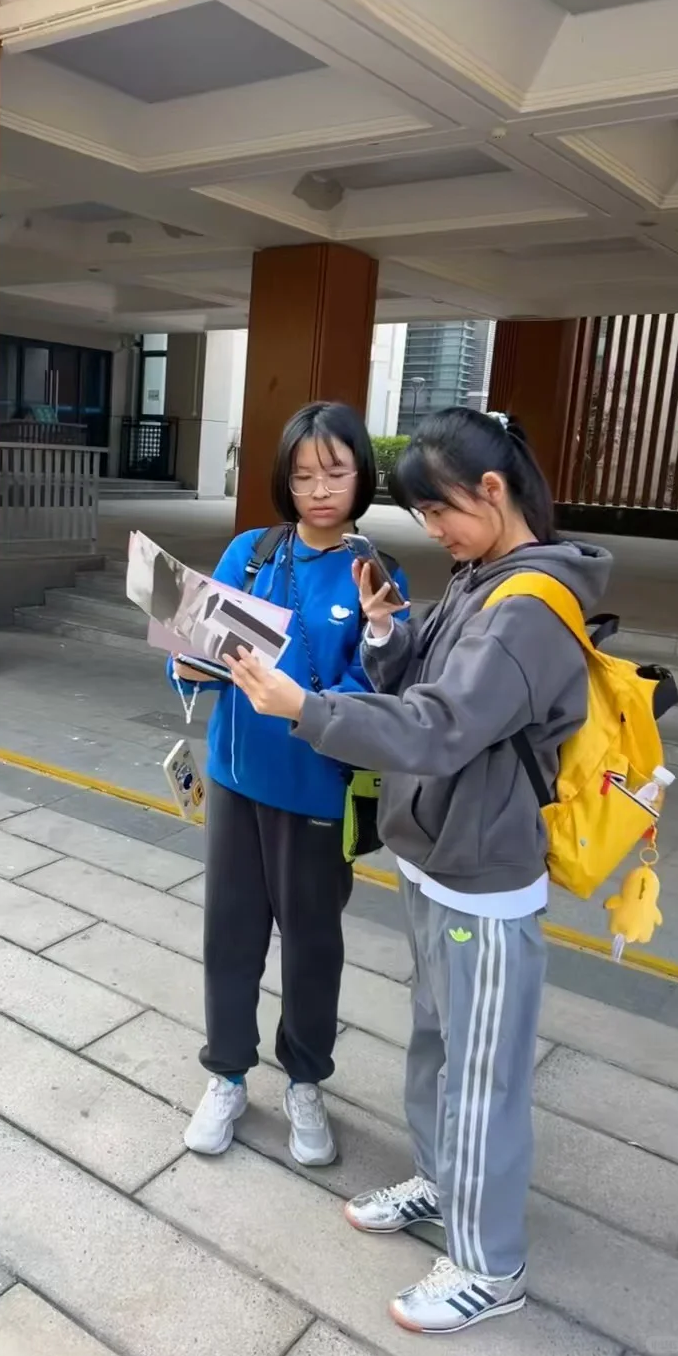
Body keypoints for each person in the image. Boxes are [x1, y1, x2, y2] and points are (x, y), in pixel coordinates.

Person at [225, 408, 611, 1335]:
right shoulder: (489, 576)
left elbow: (439, 728)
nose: (431, 533)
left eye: (437, 513)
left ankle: (490, 1263)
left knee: (483, 1071)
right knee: (437, 1042)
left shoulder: (532, 606)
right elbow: (421, 678)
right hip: (439, 857)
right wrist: (390, 630)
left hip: (486, 869)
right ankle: (442, 1182)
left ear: (490, 491)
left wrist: (306, 709)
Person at [171, 402, 408, 1167]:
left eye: (335, 473)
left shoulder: (372, 570)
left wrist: (379, 634)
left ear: (360, 475)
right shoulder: (250, 550)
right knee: (229, 936)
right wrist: (183, 661)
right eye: (303, 475)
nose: (318, 490)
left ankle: (305, 1080)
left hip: (315, 792)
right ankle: (228, 1075)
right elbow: (201, 649)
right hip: (236, 779)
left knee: (312, 945)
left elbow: (372, 694)